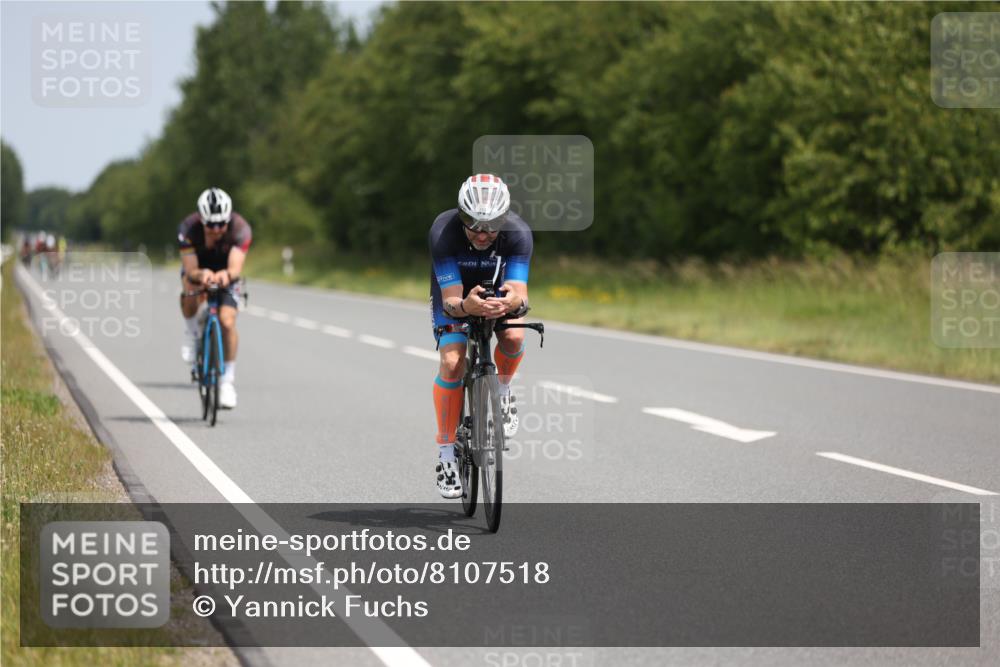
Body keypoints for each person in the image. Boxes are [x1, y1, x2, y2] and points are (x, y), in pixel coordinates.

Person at [429, 174, 532, 498]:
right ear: (461, 215)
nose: (483, 233)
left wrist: (511, 302)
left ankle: (502, 391)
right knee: (452, 361)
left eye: (491, 225)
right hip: (456, 293)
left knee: (514, 338)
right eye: (474, 224)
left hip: (494, 291)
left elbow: (519, 293)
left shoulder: (518, 233)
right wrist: (466, 306)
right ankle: (446, 454)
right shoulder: (443, 231)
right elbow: (451, 300)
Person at [177, 187, 252, 409]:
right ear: (201, 220)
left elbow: (236, 268)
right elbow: (190, 269)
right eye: (211, 225)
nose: (217, 229)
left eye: (222, 224)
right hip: (199, 269)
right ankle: (191, 333)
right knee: (189, 288)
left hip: (226, 272)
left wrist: (225, 276)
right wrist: (203, 275)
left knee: (227, 320)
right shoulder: (188, 229)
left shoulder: (241, 229)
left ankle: (227, 381)